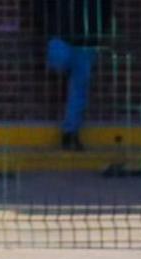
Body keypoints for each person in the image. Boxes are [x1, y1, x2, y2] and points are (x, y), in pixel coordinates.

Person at [37, 0, 112, 149]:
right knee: (68, 72)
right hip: (62, 35)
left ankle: (71, 133)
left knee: (80, 87)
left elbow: (105, 9)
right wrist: (52, 27)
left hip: (86, 40)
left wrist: (98, 31)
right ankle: (70, 132)